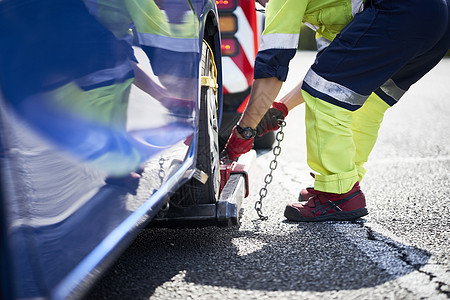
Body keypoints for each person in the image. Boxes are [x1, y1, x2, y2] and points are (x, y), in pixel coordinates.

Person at [221, 0, 450, 222]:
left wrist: (244, 132)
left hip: (402, 12)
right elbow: (326, 72)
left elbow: (273, 66)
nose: (264, 5)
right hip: (435, 17)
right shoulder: (329, 9)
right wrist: (281, 107)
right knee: (367, 102)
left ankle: (337, 195)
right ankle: (345, 183)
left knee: (325, 100)